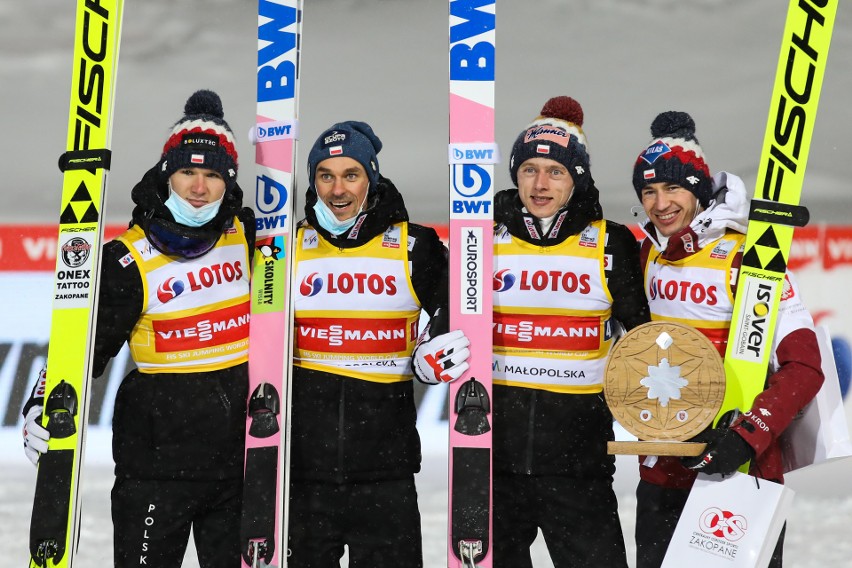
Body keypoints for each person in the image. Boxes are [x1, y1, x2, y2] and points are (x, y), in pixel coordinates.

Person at [22, 89, 255, 567]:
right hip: (155, 468)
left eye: (212, 175)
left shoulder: (249, 236)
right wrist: (40, 402)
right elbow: (82, 349)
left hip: (240, 467)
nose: (198, 186)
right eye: (188, 171)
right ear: (167, 173)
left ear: (227, 182)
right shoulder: (127, 259)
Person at [630, 110, 824, 568]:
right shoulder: (647, 254)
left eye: (673, 188)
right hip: (663, 474)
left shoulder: (748, 255)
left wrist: (747, 436)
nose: (660, 204)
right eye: (649, 191)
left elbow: (804, 366)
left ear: (698, 189)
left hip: (743, 474)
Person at [288, 120, 470, 567]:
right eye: (325, 176)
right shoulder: (287, 246)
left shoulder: (414, 244)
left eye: (351, 175)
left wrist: (432, 353)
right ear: (312, 183)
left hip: (385, 472)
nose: (337, 189)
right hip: (301, 472)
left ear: (371, 178)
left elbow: (460, 305)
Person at [491, 96, 650, 568]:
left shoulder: (610, 240)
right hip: (493, 464)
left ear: (576, 178)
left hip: (578, 465)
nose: (540, 184)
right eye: (529, 169)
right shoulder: (480, 237)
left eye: (555, 171)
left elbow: (646, 338)